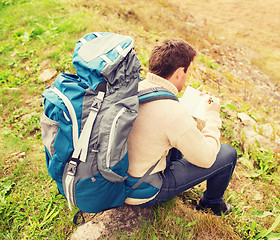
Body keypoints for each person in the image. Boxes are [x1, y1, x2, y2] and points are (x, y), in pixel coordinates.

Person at [125, 38, 237, 215]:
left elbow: (157, 118)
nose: (186, 77)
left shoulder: (136, 87)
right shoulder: (174, 113)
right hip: (142, 190)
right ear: (178, 73)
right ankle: (211, 204)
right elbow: (207, 158)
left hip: (118, 178)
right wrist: (213, 116)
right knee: (227, 154)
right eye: (187, 72)